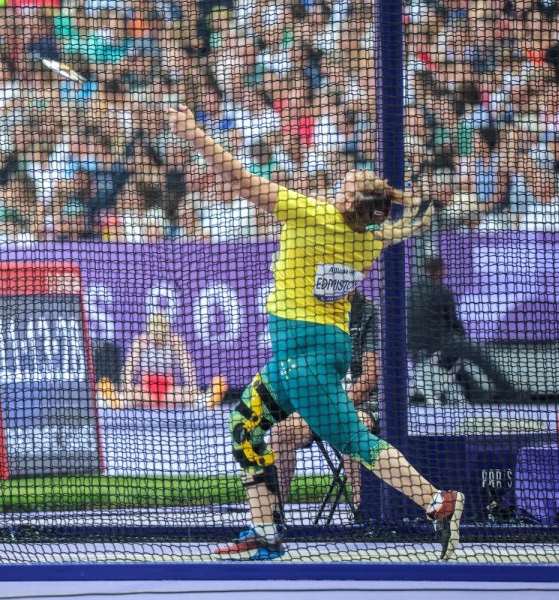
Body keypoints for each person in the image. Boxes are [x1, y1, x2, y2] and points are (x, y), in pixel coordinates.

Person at [166, 104, 464, 562]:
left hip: (306, 357)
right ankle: (266, 531)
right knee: (244, 427)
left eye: (346, 183)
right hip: (303, 354)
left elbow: (238, 178)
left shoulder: (309, 213)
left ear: (348, 202)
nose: (340, 182)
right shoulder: (370, 239)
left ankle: (437, 501)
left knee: (356, 443)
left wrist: (191, 132)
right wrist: (410, 201)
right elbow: (404, 222)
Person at [268, 289, 380, 514]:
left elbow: (369, 377)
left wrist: (335, 406)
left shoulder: (368, 311)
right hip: (318, 403)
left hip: (361, 404)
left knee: (351, 428)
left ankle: (362, 512)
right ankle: (274, 513)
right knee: (281, 433)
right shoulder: (313, 309)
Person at [407, 256, 521, 403]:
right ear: (439, 270)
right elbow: (453, 322)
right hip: (438, 343)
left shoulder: (411, 292)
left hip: (415, 348)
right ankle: (508, 392)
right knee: (479, 355)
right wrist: (463, 339)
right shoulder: (440, 291)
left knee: (452, 360)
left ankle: (476, 393)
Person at [98, 311, 228, 410]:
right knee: (131, 396)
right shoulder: (141, 341)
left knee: (188, 396)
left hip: (168, 388)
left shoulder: (175, 341)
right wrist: (127, 386)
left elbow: (187, 366)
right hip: (146, 388)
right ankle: (112, 399)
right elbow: (129, 368)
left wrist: (192, 387)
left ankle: (208, 399)